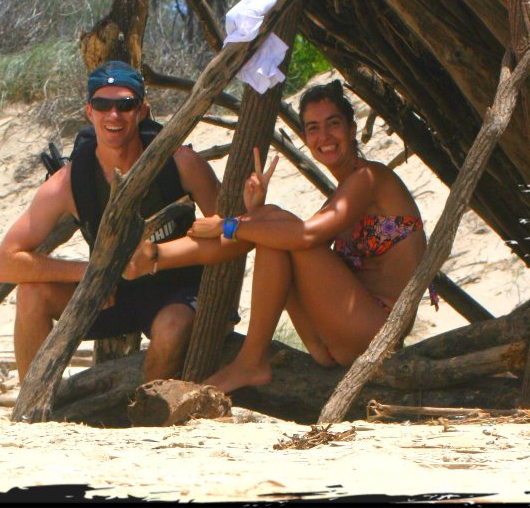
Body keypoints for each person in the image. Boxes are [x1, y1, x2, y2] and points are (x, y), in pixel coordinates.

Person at [125, 79, 436, 393]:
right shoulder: (342, 193)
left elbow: (306, 235)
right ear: (305, 137)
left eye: (333, 124)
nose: (324, 136)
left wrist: (228, 225)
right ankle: (155, 257)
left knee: (276, 224)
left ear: (352, 129)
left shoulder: (371, 178)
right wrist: (254, 212)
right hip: (336, 340)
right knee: (271, 226)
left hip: (376, 335)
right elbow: (290, 239)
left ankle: (245, 356)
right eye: (313, 128)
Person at [0, 60, 227, 383]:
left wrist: (158, 259)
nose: (113, 115)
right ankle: (33, 414)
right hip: (113, 291)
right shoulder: (69, 181)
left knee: (173, 330)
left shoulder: (181, 164)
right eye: (103, 105)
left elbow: (232, 235)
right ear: (89, 111)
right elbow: (5, 263)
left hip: (176, 288)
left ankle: (146, 421)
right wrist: (89, 273)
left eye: (125, 105)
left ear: (142, 111)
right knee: (31, 294)